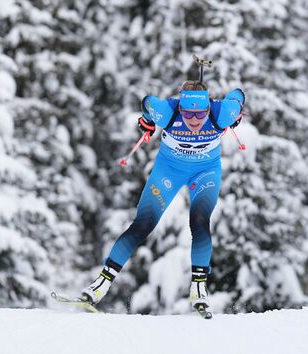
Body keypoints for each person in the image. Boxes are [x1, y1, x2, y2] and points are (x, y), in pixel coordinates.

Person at [81, 81, 245, 312]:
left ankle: (198, 286)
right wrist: (147, 121)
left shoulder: (222, 112)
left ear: (209, 107)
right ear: (180, 107)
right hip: (168, 171)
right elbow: (147, 102)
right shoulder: (167, 111)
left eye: (201, 113)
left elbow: (238, 95)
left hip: (205, 171)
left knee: (199, 220)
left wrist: (238, 114)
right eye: (188, 113)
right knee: (143, 224)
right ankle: (101, 284)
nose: (195, 119)